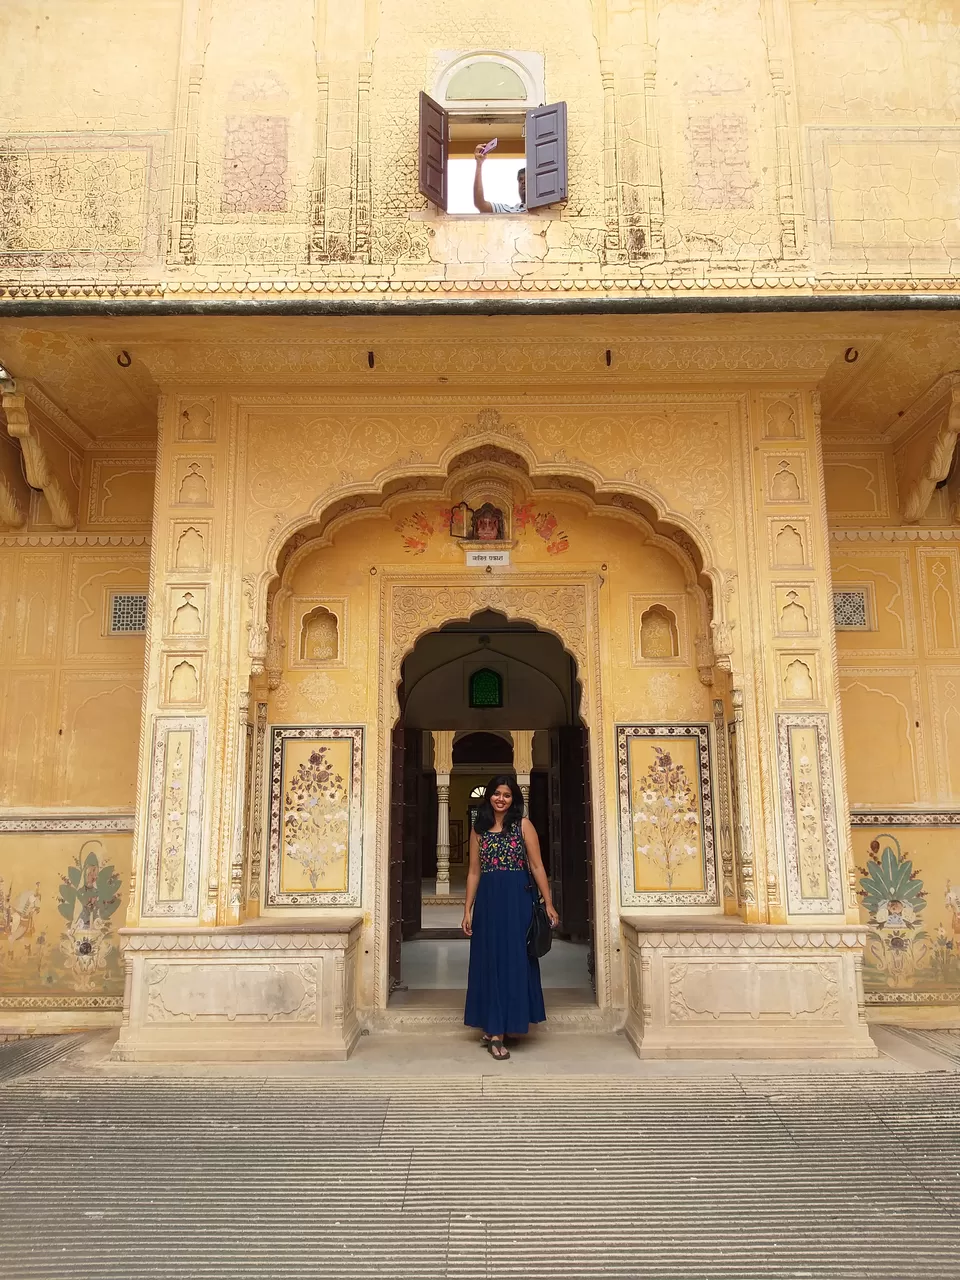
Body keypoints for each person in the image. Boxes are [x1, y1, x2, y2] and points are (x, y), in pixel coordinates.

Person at [462, 775, 559, 1060]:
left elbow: (538, 866)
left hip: (518, 901)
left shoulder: (523, 826)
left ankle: (506, 1023)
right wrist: (467, 908)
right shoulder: (478, 830)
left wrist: (548, 902)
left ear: (514, 798)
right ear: (488, 797)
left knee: (514, 960)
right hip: (489, 904)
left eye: (506, 794)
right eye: (496, 793)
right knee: (489, 961)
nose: (500, 799)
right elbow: (473, 872)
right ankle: (494, 1030)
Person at [473, 144, 526, 214]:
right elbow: (481, 204)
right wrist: (479, 164)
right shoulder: (509, 211)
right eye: (520, 180)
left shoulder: (545, 209)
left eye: (527, 179)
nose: (523, 182)